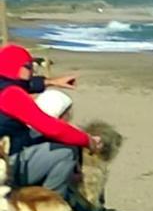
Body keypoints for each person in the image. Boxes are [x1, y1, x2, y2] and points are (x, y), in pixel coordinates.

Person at [0, 45, 102, 198]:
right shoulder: (12, 95)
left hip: (10, 148)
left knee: (50, 136)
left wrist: (53, 82)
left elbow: (29, 84)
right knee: (65, 152)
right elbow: (52, 128)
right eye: (29, 66)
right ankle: (49, 200)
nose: (33, 70)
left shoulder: (6, 86)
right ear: (16, 69)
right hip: (8, 163)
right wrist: (88, 140)